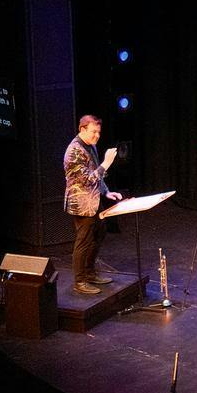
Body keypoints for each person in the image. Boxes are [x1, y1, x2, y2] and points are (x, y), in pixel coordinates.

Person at [63, 114, 122, 295]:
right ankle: (80, 281)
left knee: (99, 233)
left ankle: (90, 273)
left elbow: (97, 175)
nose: (97, 136)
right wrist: (106, 163)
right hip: (81, 204)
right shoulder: (74, 151)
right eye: (93, 132)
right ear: (82, 129)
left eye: (99, 132)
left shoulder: (92, 146)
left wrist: (106, 191)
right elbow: (88, 179)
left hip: (94, 200)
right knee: (84, 241)